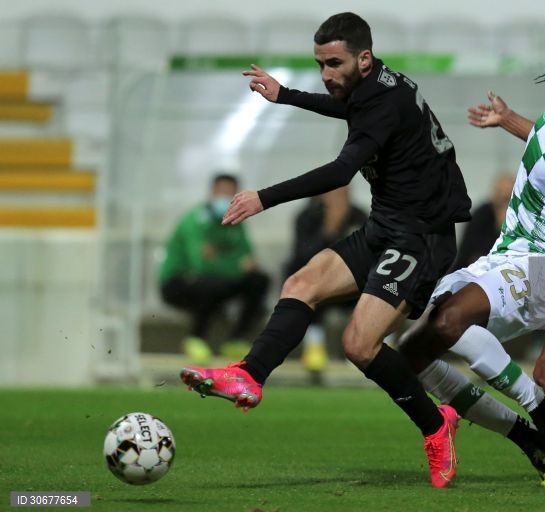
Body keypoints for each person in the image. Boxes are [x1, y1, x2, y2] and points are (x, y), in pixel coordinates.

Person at [179, 12, 475, 488]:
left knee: (359, 346)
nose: (326, 75)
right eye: (319, 65)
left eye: (333, 64)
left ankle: (436, 423)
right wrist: (286, 95)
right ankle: (249, 376)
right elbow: (347, 105)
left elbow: (340, 173)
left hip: (422, 237)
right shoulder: (376, 84)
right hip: (386, 225)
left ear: (363, 56)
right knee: (302, 282)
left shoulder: (382, 102)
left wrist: (263, 197)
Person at [397, 34, 545, 487]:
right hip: (506, 257)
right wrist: (508, 121)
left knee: (447, 322)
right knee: (411, 350)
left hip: (544, 272)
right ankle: (532, 439)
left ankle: (544, 409)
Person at [159, 173, 271, 363]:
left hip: (217, 280)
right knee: (210, 284)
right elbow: (201, 265)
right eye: (222, 192)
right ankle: (196, 339)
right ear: (211, 193)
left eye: (231, 193)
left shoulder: (237, 221)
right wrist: (236, 264)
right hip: (178, 282)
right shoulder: (195, 220)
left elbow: (249, 260)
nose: (225, 198)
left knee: (259, 280)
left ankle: (236, 340)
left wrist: (222, 260)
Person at [284, 186, 366, 378]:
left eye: (345, 193)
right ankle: (314, 347)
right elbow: (301, 256)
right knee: (310, 290)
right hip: (320, 282)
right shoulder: (306, 216)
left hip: (352, 281)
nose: (340, 198)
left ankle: (366, 346)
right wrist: (329, 230)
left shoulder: (359, 215)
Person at [453, 172, 515, 270]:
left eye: (507, 198)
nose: (503, 203)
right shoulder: (481, 215)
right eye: (500, 193)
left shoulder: (523, 219)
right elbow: (467, 252)